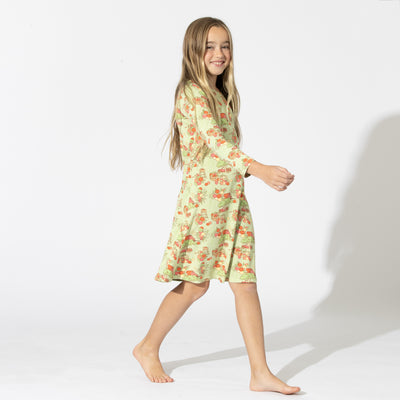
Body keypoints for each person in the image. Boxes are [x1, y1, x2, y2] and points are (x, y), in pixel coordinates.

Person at [133, 17, 299, 394]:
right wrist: (259, 169)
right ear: (193, 50)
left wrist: (247, 176)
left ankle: (260, 373)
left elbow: (224, 152)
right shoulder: (191, 92)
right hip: (205, 205)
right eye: (210, 46)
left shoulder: (222, 96)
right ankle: (147, 347)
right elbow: (215, 143)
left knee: (245, 284)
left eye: (225, 46)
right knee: (195, 285)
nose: (219, 53)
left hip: (233, 203)